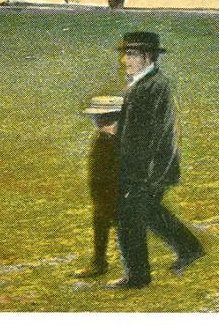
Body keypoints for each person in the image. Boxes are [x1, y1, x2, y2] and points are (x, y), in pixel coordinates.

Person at [111, 32, 203, 289]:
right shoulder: (144, 83)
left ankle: (137, 276)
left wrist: (150, 174)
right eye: (125, 54)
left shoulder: (152, 86)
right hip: (143, 167)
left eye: (131, 55)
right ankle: (190, 248)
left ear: (147, 57)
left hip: (145, 169)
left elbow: (158, 133)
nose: (124, 60)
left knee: (128, 217)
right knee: (149, 212)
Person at [75, 95, 123, 279]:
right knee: (103, 222)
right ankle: (100, 261)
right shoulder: (104, 139)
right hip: (105, 192)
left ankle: (100, 262)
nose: (96, 120)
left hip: (113, 192)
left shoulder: (111, 140)